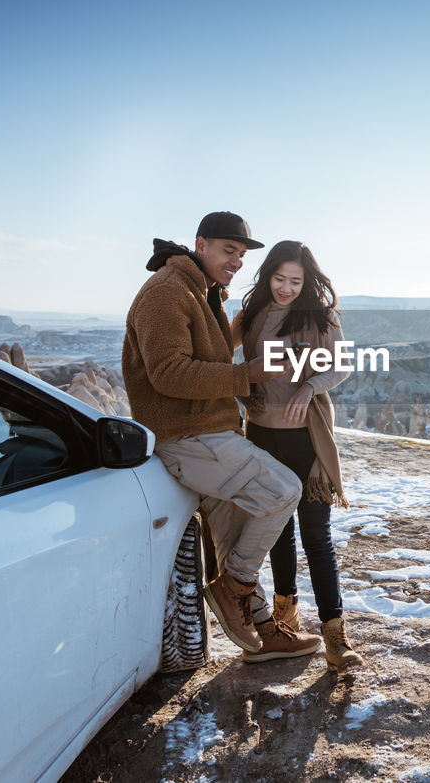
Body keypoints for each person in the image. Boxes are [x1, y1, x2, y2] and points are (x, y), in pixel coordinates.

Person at [122, 212, 321, 661]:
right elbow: (168, 374)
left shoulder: (202, 292)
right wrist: (244, 375)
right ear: (201, 244)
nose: (236, 261)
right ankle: (232, 589)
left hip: (212, 432)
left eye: (242, 254)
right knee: (283, 490)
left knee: (234, 540)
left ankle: (261, 628)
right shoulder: (166, 292)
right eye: (228, 250)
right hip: (188, 436)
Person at [233, 240, 362, 668]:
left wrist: (309, 386)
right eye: (279, 278)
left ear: (307, 282)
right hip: (261, 437)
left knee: (316, 537)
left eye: (295, 280)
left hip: (307, 438)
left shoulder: (320, 318)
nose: (286, 288)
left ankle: (335, 637)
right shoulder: (252, 315)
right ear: (267, 275)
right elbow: (216, 347)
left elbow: (341, 365)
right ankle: (285, 622)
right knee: (277, 534)